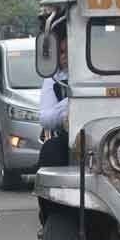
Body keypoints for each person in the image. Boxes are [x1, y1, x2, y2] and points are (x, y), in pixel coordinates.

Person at [37, 29, 70, 225]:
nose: (65, 58)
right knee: (49, 152)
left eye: (70, 51)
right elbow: (46, 118)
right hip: (73, 142)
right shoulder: (54, 79)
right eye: (62, 53)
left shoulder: (107, 73)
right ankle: (50, 217)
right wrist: (69, 103)